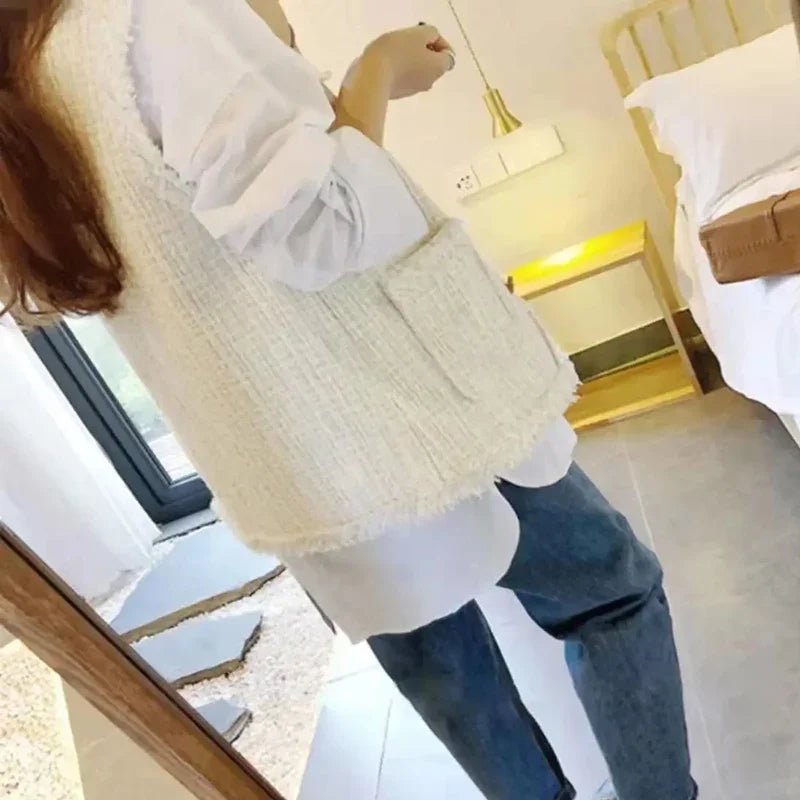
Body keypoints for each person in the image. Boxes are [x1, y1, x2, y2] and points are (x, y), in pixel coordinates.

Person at [0, 1, 696, 798]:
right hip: (402, 403)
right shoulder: (152, 16)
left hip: (289, 459)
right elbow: (322, 229)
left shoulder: (31, 65)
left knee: (448, 677)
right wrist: (379, 70)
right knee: (609, 590)